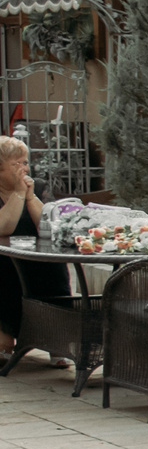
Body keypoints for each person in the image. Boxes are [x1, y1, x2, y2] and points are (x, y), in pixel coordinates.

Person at [0, 134, 70, 370]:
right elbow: (4, 227)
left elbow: (49, 225)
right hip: (4, 260)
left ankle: (56, 342)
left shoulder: (38, 186)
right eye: (16, 164)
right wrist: (19, 194)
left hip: (39, 258)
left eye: (25, 162)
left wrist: (30, 197)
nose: (23, 169)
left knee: (54, 270)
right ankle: (6, 338)